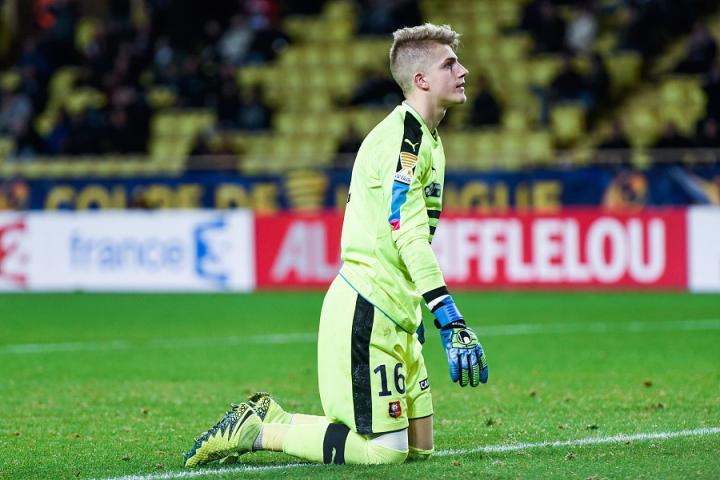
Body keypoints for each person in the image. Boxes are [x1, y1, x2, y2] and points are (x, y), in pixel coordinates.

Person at [182, 23, 489, 468]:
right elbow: (407, 234)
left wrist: (415, 309)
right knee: (385, 452)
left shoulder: (427, 138)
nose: (463, 71)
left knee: (420, 448)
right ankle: (259, 431)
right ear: (421, 79)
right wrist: (448, 317)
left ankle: (274, 416)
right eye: (450, 64)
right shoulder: (403, 142)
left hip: (399, 309)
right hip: (368, 307)